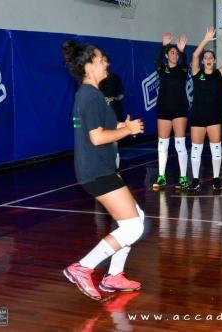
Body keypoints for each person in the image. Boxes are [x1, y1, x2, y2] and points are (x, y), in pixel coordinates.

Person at [62, 40, 145, 300]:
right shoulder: (88, 95)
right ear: (88, 66)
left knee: (136, 218)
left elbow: (101, 127)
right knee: (133, 228)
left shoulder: (92, 94)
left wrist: (122, 125)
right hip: (96, 170)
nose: (106, 62)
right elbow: (97, 137)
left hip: (102, 168)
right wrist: (127, 131)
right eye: (101, 59)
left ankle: (114, 276)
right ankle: (82, 267)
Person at [187, 26, 222, 192]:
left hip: (214, 117)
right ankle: (195, 179)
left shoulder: (218, 74)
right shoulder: (196, 73)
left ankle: (216, 178)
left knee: (216, 149)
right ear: (202, 61)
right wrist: (206, 40)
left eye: (210, 57)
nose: (207, 59)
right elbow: (193, 55)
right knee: (196, 150)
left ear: (213, 62)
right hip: (198, 117)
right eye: (205, 57)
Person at [152, 32, 189, 190]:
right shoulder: (162, 70)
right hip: (164, 110)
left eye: (176, 53)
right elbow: (156, 61)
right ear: (167, 56)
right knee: (162, 145)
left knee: (180, 145)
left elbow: (186, 61)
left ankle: (183, 177)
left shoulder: (182, 70)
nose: (174, 55)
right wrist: (163, 46)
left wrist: (182, 51)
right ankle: (161, 177)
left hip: (179, 110)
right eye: (171, 52)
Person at [99, 52, 125, 169]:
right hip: (100, 117)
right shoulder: (96, 80)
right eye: (100, 61)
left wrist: (114, 98)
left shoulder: (115, 78)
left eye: (104, 60)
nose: (103, 63)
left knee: (114, 144)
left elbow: (121, 95)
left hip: (114, 115)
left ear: (108, 63)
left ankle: (115, 170)